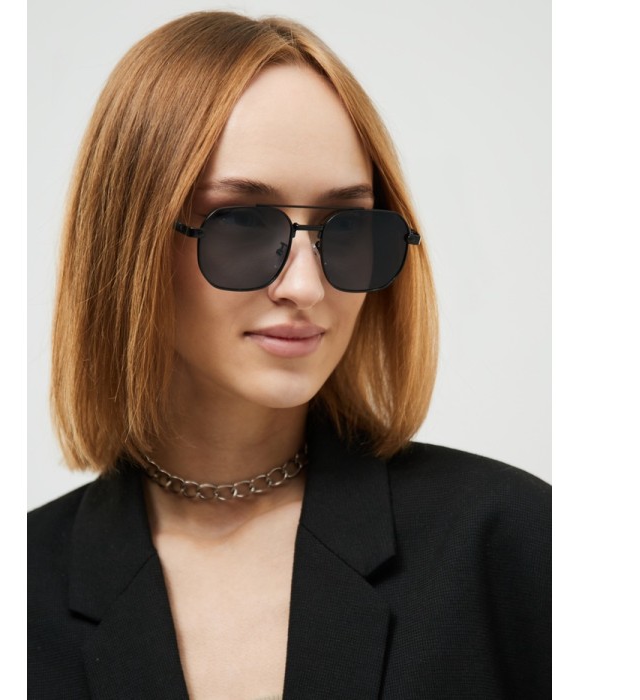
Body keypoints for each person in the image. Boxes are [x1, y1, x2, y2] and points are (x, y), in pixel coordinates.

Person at [28, 11, 551, 699]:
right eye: (243, 225)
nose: (306, 287)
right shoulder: (7, 597)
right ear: (128, 243)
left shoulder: (513, 541)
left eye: (346, 227)